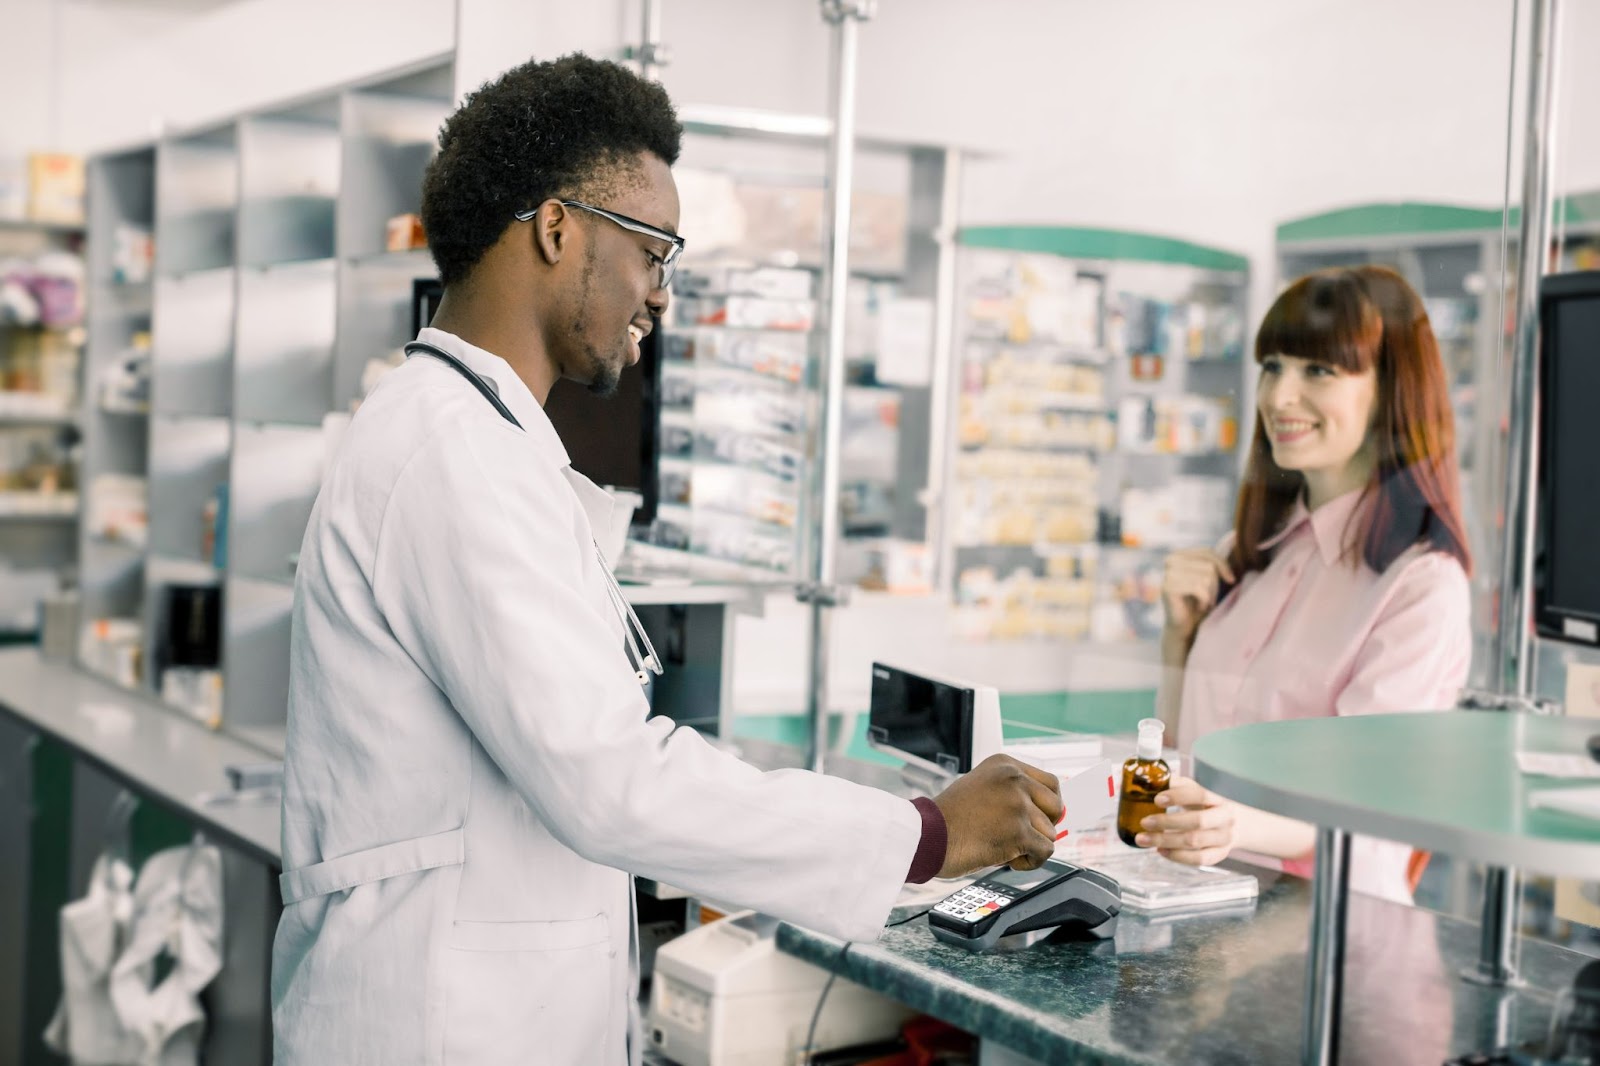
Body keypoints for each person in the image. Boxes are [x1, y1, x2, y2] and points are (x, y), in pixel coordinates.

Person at [270, 54, 1063, 1066]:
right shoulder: (452, 456)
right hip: (438, 1021)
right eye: (652, 251)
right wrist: (924, 833)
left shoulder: (474, 438)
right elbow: (611, 782)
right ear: (558, 229)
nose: (660, 295)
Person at [1139, 265, 1473, 903]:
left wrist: (1231, 824)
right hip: (1201, 899)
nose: (1279, 397)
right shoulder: (1248, 553)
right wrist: (1179, 642)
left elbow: (1367, 805)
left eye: (1318, 371)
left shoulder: (1422, 585)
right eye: (1273, 366)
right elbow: (1181, 751)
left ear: (1391, 393)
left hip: (1326, 927)